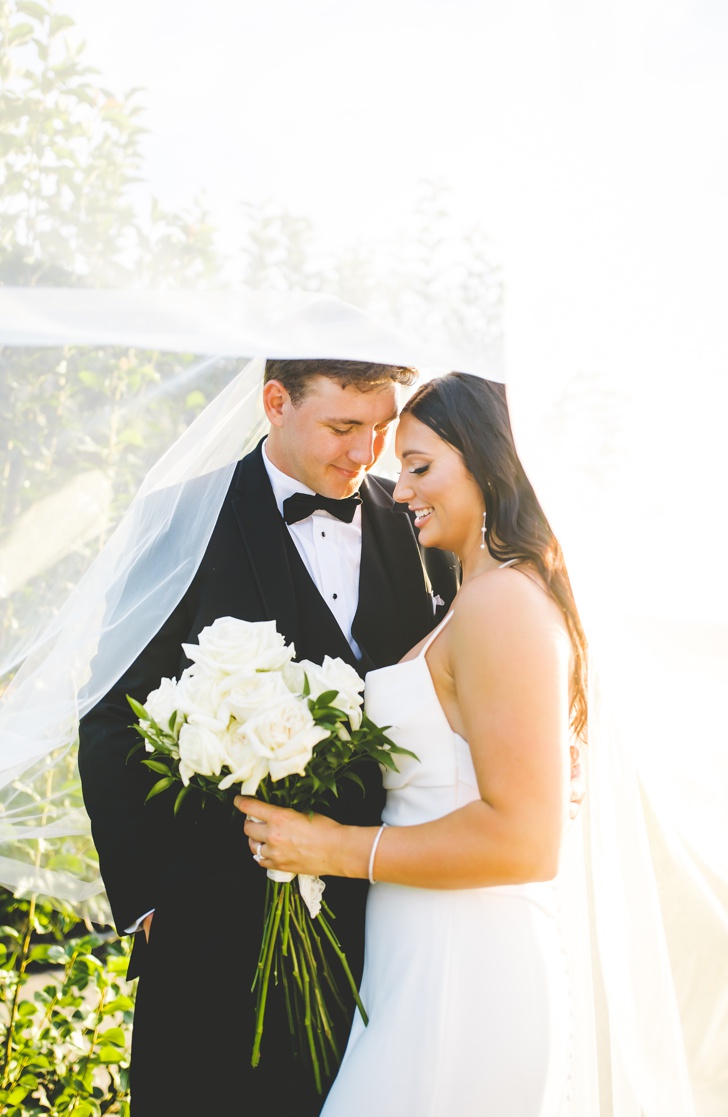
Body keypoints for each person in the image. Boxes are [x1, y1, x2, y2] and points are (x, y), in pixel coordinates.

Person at [78, 359, 460, 1116]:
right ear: (275, 402)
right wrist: (153, 900)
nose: (366, 454)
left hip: (388, 933)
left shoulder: (418, 518)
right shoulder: (177, 518)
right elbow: (110, 709)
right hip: (210, 935)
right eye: (345, 427)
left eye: (382, 429)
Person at [233, 372, 585, 1115]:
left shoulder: (503, 608)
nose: (398, 489)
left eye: (421, 466)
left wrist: (331, 849)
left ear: (492, 463)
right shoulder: (471, 600)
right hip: (416, 959)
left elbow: (526, 839)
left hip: (466, 967)